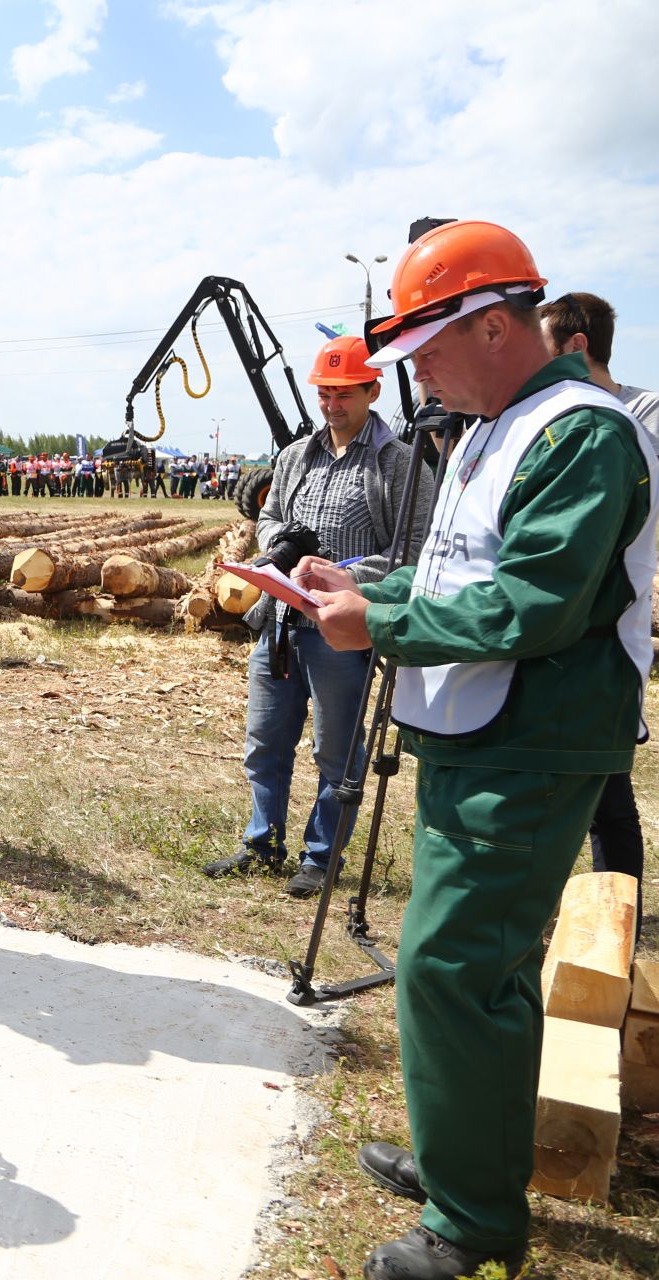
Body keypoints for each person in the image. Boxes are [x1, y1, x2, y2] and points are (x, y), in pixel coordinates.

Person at [301, 221, 657, 1280]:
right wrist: (371, 589)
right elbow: (457, 574)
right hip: (478, 725)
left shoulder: (579, 434)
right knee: (459, 965)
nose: (418, 376)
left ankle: (475, 1225)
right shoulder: (499, 425)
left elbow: (539, 602)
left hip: (534, 737)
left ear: (494, 326)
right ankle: (465, 1156)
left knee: (455, 966)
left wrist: (384, 627)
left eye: (428, 352)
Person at [203, 335, 433, 897]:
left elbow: (414, 547)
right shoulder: (294, 457)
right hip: (281, 626)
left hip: (343, 632)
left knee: (335, 750)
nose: (332, 405)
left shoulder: (398, 463)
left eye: (344, 393)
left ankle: (322, 856)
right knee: (265, 742)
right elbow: (268, 516)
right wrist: (281, 544)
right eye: (325, 393)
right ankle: (262, 843)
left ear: (372, 390)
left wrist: (345, 573)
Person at [536, 290, 659, 932]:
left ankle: (616, 921)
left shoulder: (645, 411)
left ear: (575, 345)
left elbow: (634, 506)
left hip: (610, 637)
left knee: (609, 795)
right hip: (557, 644)